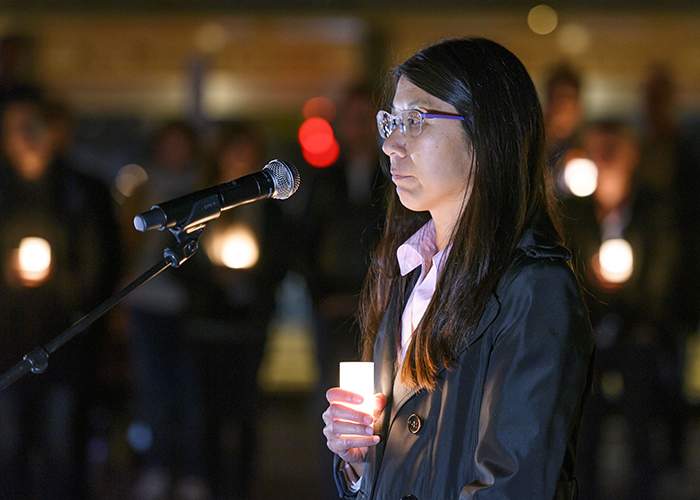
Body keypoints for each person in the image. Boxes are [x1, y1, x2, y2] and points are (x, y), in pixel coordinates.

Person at [321, 38, 594, 500]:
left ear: (487, 132)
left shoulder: (533, 288)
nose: (390, 144)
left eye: (416, 120)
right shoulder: (407, 269)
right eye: (390, 121)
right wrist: (358, 463)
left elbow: (514, 483)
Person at [563, 120, 679, 500]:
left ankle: (644, 483)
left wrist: (635, 308)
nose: (606, 159)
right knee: (586, 414)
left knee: (640, 411)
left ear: (632, 155)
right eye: (598, 150)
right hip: (590, 332)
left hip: (638, 332)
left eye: (614, 150)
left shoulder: (652, 211)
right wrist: (594, 287)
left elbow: (663, 273)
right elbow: (567, 272)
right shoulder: (574, 214)